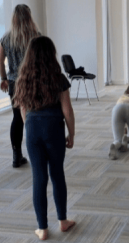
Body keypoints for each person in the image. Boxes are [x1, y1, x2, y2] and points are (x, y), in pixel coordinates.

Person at [13, 36, 76, 240]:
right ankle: (63, 221)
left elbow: (23, 110)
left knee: (38, 178)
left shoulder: (23, 78)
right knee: (57, 174)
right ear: (52, 54)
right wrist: (71, 133)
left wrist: (30, 128)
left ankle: (42, 228)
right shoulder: (58, 78)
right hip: (54, 128)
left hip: (32, 128)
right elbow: (67, 110)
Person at [0, 4, 41, 168]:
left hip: (15, 83)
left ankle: (17, 155)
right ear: (29, 17)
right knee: (35, 115)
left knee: (17, 118)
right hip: (34, 81)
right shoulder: (36, 36)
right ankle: (37, 152)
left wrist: (3, 78)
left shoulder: (6, 38)